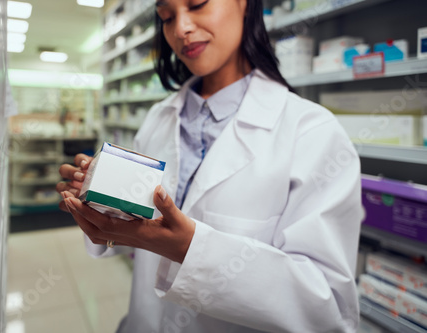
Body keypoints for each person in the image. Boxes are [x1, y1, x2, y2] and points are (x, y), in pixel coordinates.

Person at [56, 0, 363, 332]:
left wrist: (190, 249)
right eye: (167, 17)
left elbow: (329, 309)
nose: (181, 29)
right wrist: (102, 204)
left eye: (198, 4)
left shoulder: (313, 132)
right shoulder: (160, 117)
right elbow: (138, 222)